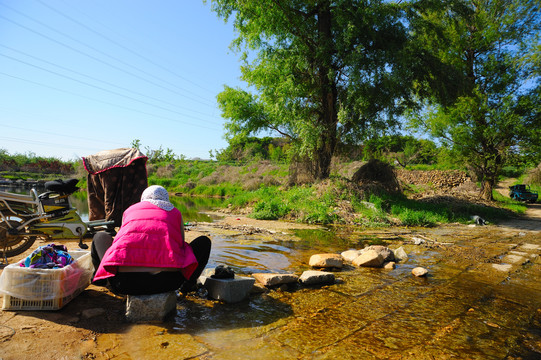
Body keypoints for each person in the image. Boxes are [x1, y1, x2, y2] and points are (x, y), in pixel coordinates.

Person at [91, 185, 211, 295]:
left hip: (123, 284)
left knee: (100, 236)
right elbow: (181, 245)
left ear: (143, 198)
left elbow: (121, 240)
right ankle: (189, 285)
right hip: (168, 283)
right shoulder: (175, 212)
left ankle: (101, 281)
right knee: (204, 241)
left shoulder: (130, 210)